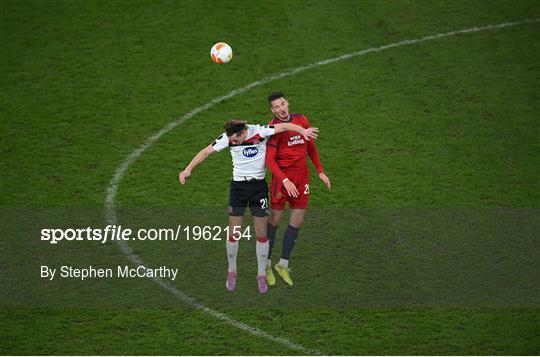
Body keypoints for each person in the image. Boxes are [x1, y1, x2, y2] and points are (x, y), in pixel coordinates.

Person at [179, 119, 318, 293]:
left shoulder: (261, 132)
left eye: (236, 140)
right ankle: (232, 271)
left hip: (258, 189)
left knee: (261, 234)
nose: (232, 143)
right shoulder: (228, 138)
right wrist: (188, 169)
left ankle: (260, 275)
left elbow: (285, 126)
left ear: (244, 132)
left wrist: (302, 131)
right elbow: (206, 151)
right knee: (233, 233)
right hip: (238, 189)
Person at [265, 92, 332, 286]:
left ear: (287, 103)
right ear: (272, 110)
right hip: (282, 181)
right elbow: (269, 160)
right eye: (276, 107)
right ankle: (267, 264)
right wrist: (285, 180)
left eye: (283, 104)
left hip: (302, 180)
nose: (281, 109)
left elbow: (310, 146)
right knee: (275, 220)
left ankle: (283, 265)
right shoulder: (274, 129)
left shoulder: (301, 119)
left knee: (297, 220)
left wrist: (320, 171)